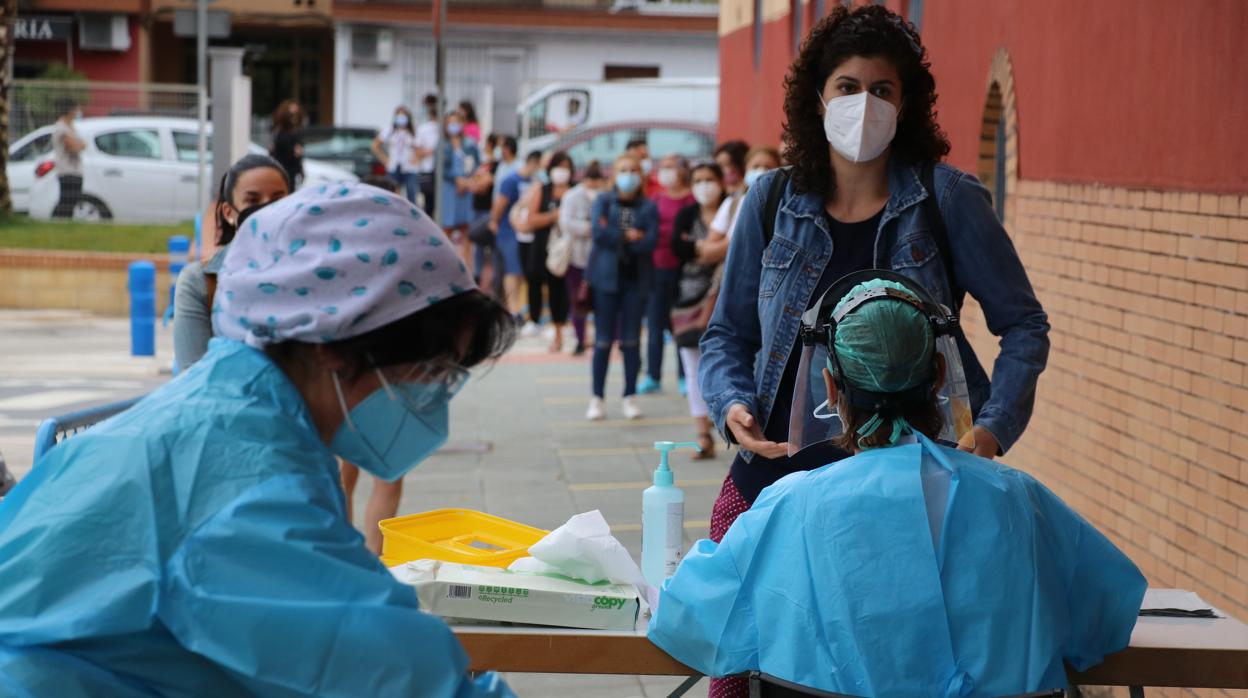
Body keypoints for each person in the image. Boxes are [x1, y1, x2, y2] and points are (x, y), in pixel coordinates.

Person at [0, 183, 517, 698]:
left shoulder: (239, 414)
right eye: (431, 372)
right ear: (333, 345)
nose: (434, 396)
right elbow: (399, 675)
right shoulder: (249, 484)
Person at [698, 12, 1051, 680]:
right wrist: (732, 405)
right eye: (847, 87)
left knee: (892, 675)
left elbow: (1025, 325)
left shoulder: (948, 199)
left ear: (906, 102)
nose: (864, 104)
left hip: (912, 500)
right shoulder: (771, 200)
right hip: (775, 485)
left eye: (882, 90)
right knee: (745, 670)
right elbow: (727, 334)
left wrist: (992, 429)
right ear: (817, 99)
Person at [651, 273, 1143, 697]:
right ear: (940, 376)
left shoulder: (789, 506)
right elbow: (1106, 619)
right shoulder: (1020, 499)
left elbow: (688, 620)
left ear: (830, 387)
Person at [174, 154, 292, 372]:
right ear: (228, 213)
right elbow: (192, 374)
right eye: (253, 201)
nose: (267, 208)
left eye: (277, 199)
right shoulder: (200, 282)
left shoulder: (308, 272)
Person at [586, 154, 659, 421]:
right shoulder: (604, 201)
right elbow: (598, 233)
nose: (628, 175)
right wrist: (629, 236)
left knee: (631, 342)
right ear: (614, 175)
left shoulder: (648, 205)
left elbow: (650, 241)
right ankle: (597, 398)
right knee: (603, 341)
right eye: (623, 170)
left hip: (635, 281)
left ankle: (629, 395)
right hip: (605, 280)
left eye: (633, 170)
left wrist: (617, 236)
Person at [669, 160, 727, 457]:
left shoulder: (734, 209)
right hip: (690, 300)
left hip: (727, 297)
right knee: (693, 368)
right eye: (698, 180)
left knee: (727, 363)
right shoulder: (687, 214)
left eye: (709, 179)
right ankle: (703, 435)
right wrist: (717, 248)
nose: (704, 185)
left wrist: (699, 248)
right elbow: (677, 248)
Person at [638, 154, 695, 396]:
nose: (666, 172)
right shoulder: (656, 199)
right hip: (656, 268)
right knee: (655, 324)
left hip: (684, 271)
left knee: (681, 325)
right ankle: (653, 375)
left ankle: (685, 376)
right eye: (663, 167)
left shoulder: (692, 199)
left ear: (682, 170)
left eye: (671, 167)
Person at [515, 151, 573, 353]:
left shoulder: (574, 191)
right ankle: (535, 319)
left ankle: (562, 326)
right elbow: (530, 219)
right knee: (535, 280)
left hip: (565, 249)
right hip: (542, 245)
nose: (562, 172)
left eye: (566, 167)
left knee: (561, 288)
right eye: (559, 167)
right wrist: (552, 217)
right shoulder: (542, 189)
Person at [558, 160, 606, 356]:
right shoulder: (572, 196)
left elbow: (614, 225)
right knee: (577, 300)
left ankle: (605, 338)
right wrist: (592, 228)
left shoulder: (606, 197)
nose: (593, 188)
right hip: (576, 257)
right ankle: (580, 339)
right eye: (590, 184)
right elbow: (566, 223)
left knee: (603, 301)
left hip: (602, 259)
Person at [490, 149, 541, 319]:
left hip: (524, 233)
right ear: (533, 163)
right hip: (508, 231)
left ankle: (513, 309)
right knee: (511, 271)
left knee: (518, 272)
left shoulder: (533, 181)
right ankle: (513, 311)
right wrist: (495, 222)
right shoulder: (511, 180)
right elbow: (499, 204)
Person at [440, 110, 482, 264]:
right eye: (450, 123)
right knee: (447, 228)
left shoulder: (470, 144)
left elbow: (476, 165)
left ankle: (467, 266)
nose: (453, 126)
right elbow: (441, 169)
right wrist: (457, 180)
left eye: (456, 122)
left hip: (466, 191)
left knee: (467, 230)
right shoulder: (442, 145)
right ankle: (446, 264)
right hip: (449, 190)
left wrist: (467, 182)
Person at [372, 105, 419, 203]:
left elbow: (420, 148)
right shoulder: (389, 131)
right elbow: (375, 145)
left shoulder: (413, 132)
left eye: (404, 116)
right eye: (399, 116)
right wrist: (385, 159)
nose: (401, 119)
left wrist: (417, 159)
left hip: (409, 168)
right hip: (393, 167)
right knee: (393, 194)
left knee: (411, 194)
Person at [50, 98, 84, 219]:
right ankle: (60, 221)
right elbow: (74, 147)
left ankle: (64, 221)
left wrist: (80, 144)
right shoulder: (62, 128)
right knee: (67, 200)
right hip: (67, 169)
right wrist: (80, 145)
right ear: (70, 110)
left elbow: (80, 144)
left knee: (73, 199)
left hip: (74, 169)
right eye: (76, 109)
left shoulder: (70, 127)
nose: (78, 112)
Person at [415, 94, 442, 215]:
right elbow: (417, 152)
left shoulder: (444, 128)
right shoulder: (423, 128)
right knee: (429, 205)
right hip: (427, 171)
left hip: (442, 171)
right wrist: (433, 150)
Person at [269, 99, 304, 187]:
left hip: (292, 173)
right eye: (291, 115)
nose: (294, 118)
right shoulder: (281, 134)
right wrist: (294, 151)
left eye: (296, 114)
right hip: (283, 172)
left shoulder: (296, 133)